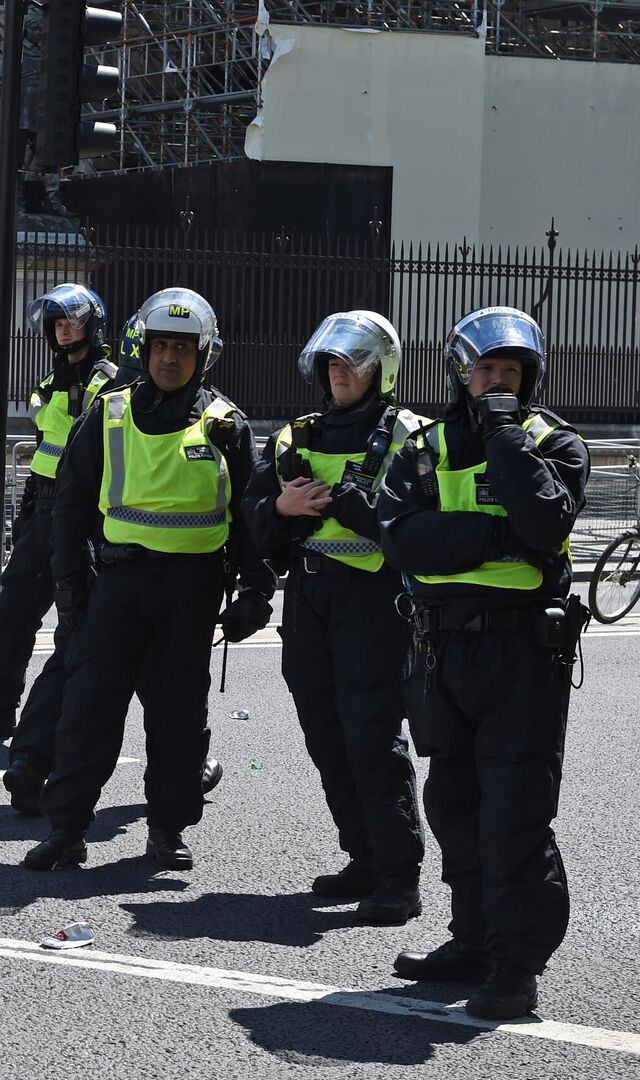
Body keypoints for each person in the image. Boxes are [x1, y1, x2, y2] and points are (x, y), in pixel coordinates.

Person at [378, 306, 588, 1020]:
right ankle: (470, 939)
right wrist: (495, 535)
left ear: (529, 378)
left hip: (523, 652)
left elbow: (545, 525)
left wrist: (505, 442)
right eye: (485, 370)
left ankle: (516, 966)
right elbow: (402, 540)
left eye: (510, 372)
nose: (497, 381)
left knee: (514, 813)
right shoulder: (424, 447)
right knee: (454, 804)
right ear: (460, 374)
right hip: (440, 649)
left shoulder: (551, 442)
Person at [24, 288, 275, 872]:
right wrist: (69, 585)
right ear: (145, 346)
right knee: (88, 709)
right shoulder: (108, 412)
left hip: (191, 591)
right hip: (117, 584)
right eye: (161, 345)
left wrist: (255, 590)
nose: (169, 358)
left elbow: (250, 516)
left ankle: (167, 830)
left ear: (203, 354)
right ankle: (67, 830)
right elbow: (71, 503)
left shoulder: (226, 425)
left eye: (183, 348)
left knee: (180, 717)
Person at [241, 311, 427, 925]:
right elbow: (255, 521)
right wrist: (282, 507)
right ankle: (364, 855)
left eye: (353, 362)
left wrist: (362, 512)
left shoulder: (410, 434)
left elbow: (422, 530)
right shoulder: (296, 435)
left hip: (374, 602)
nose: (340, 372)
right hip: (310, 600)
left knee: (371, 736)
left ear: (381, 368)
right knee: (325, 735)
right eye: (333, 362)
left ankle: (400, 877)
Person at [0, 286, 128, 751]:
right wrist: (28, 508)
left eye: (72, 322)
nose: (64, 330)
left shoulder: (110, 380)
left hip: (86, 513)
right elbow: (45, 451)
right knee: (11, 612)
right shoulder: (50, 380)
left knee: (85, 620)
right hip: (44, 505)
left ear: (93, 325)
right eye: (57, 324)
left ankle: (71, 721)